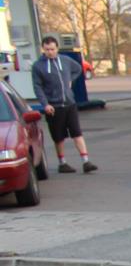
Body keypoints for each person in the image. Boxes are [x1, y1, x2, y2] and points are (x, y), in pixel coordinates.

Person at [31, 37, 97, 174]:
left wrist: (70, 80)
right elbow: (37, 87)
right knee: (59, 136)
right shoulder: (38, 66)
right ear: (43, 49)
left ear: (57, 48)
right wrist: (45, 104)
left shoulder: (65, 61)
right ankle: (62, 163)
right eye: (47, 49)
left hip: (69, 103)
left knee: (77, 133)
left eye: (52, 49)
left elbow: (78, 69)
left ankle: (86, 161)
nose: (50, 52)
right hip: (54, 107)